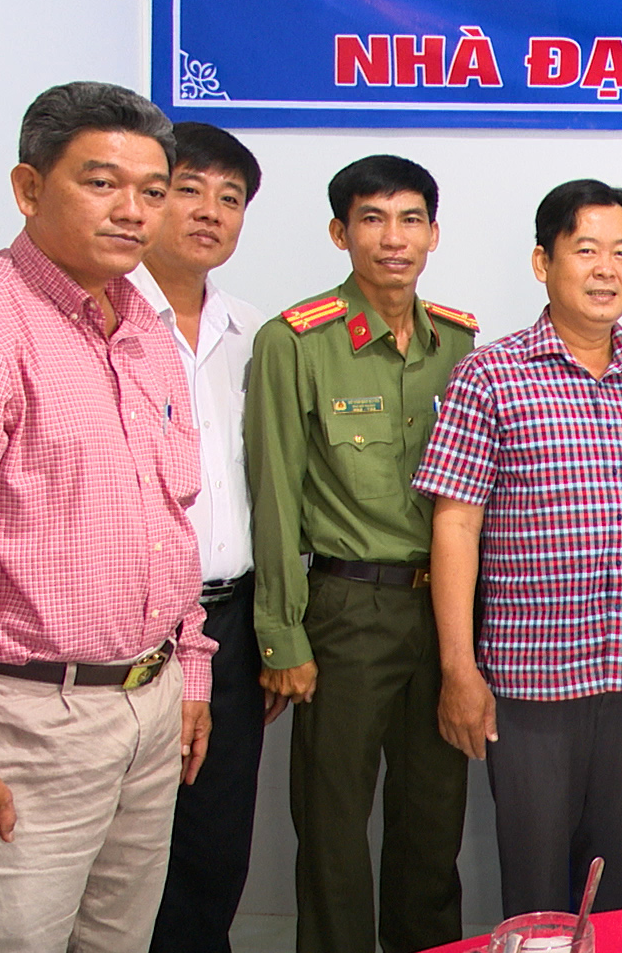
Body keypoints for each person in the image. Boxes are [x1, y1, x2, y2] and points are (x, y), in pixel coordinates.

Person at [0, 81, 214, 953]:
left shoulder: (144, 327)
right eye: (101, 183)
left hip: (149, 707)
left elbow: (171, 518)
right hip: (26, 720)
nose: (133, 211)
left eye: (153, 190)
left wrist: (189, 670)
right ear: (29, 188)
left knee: (118, 941)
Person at [416, 178, 622, 915]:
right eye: (585, 250)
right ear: (543, 262)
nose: (606, 269)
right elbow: (455, 526)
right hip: (530, 682)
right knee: (536, 893)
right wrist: (458, 668)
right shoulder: (490, 376)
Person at [246, 154, 478, 953]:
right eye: (372, 220)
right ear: (340, 232)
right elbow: (275, 493)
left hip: (444, 610)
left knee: (434, 818)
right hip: (347, 609)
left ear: (434, 234)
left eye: (410, 219)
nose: (393, 238)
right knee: (334, 824)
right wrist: (282, 634)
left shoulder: (460, 343)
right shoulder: (296, 342)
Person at [131, 122, 268, 953]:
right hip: (134, 624)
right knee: (130, 848)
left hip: (233, 621)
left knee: (216, 841)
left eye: (231, 198)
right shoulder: (105, 322)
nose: (210, 212)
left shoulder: (255, 333)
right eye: (189, 190)